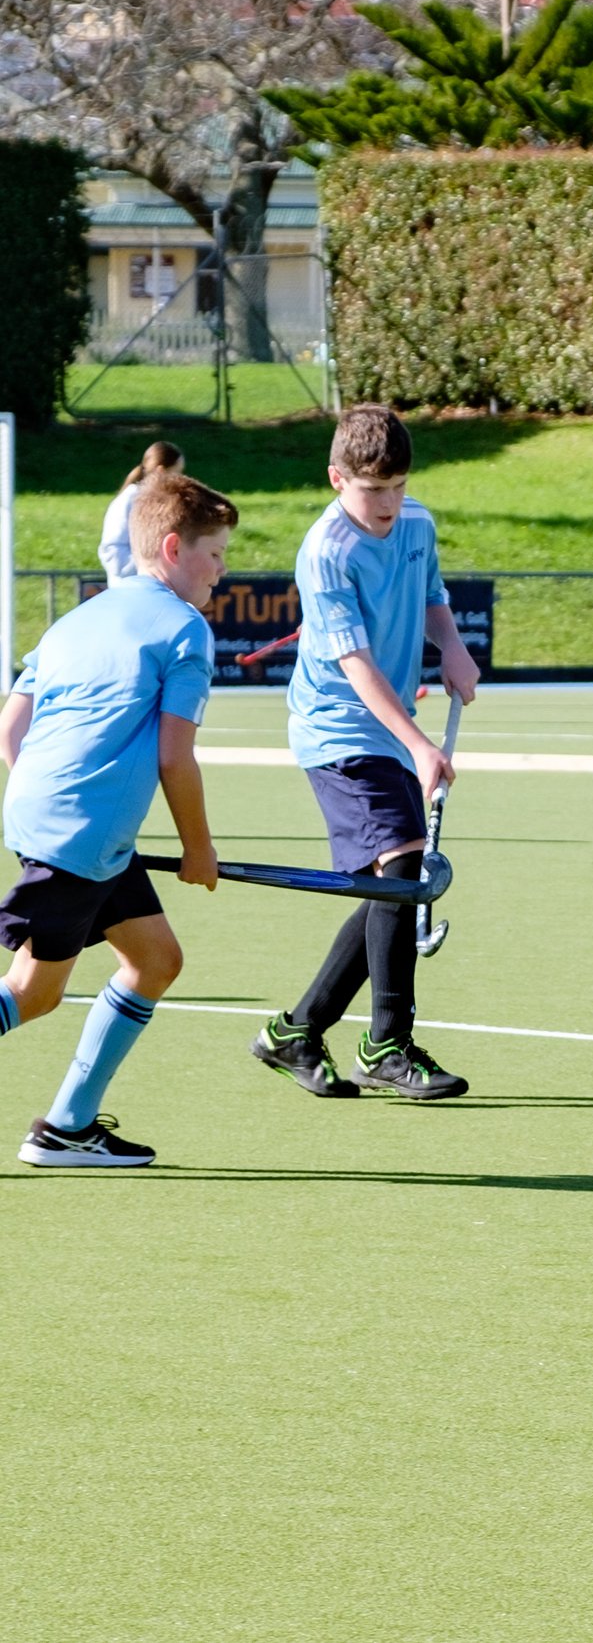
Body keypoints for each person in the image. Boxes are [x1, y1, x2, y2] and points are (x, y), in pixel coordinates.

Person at [250, 406, 482, 1102]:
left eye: (399, 486)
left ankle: (296, 1032)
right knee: (405, 870)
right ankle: (387, 1045)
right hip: (338, 727)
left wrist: (454, 647)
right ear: (336, 478)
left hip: (389, 725)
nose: (388, 504)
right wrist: (417, 745)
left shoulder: (417, 523)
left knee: (390, 886)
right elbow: (354, 664)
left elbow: (433, 595)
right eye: (373, 489)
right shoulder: (326, 551)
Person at [6, 475, 232, 1166]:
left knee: (156, 961)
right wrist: (199, 849)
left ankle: (68, 1127)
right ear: (174, 548)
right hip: (84, 834)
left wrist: (56, 794)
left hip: (56, 821)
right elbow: (175, 758)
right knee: (31, 994)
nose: (221, 572)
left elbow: (11, 731)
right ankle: (62, 1133)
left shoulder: (77, 620)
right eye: (215, 554)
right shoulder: (185, 630)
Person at [98, 442, 184, 586]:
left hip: (154, 591)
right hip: (129, 591)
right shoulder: (128, 501)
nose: (179, 479)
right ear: (161, 471)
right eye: (177, 472)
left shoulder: (161, 502)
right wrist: (151, 568)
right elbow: (113, 553)